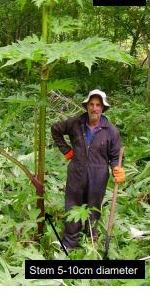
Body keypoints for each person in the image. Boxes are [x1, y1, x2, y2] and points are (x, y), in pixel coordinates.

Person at [50, 89, 125, 250]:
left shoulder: (110, 130)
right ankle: (70, 242)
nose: (94, 108)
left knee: (94, 206)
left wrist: (117, 169)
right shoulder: (75, 123)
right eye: (91, 104)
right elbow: (55, 130)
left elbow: (116, 156)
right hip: (77, 170)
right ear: (87, 106)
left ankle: (91, 236)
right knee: (73, 205)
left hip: (99, 174)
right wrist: (67, 151)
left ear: (103, 108)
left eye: (98, 105)